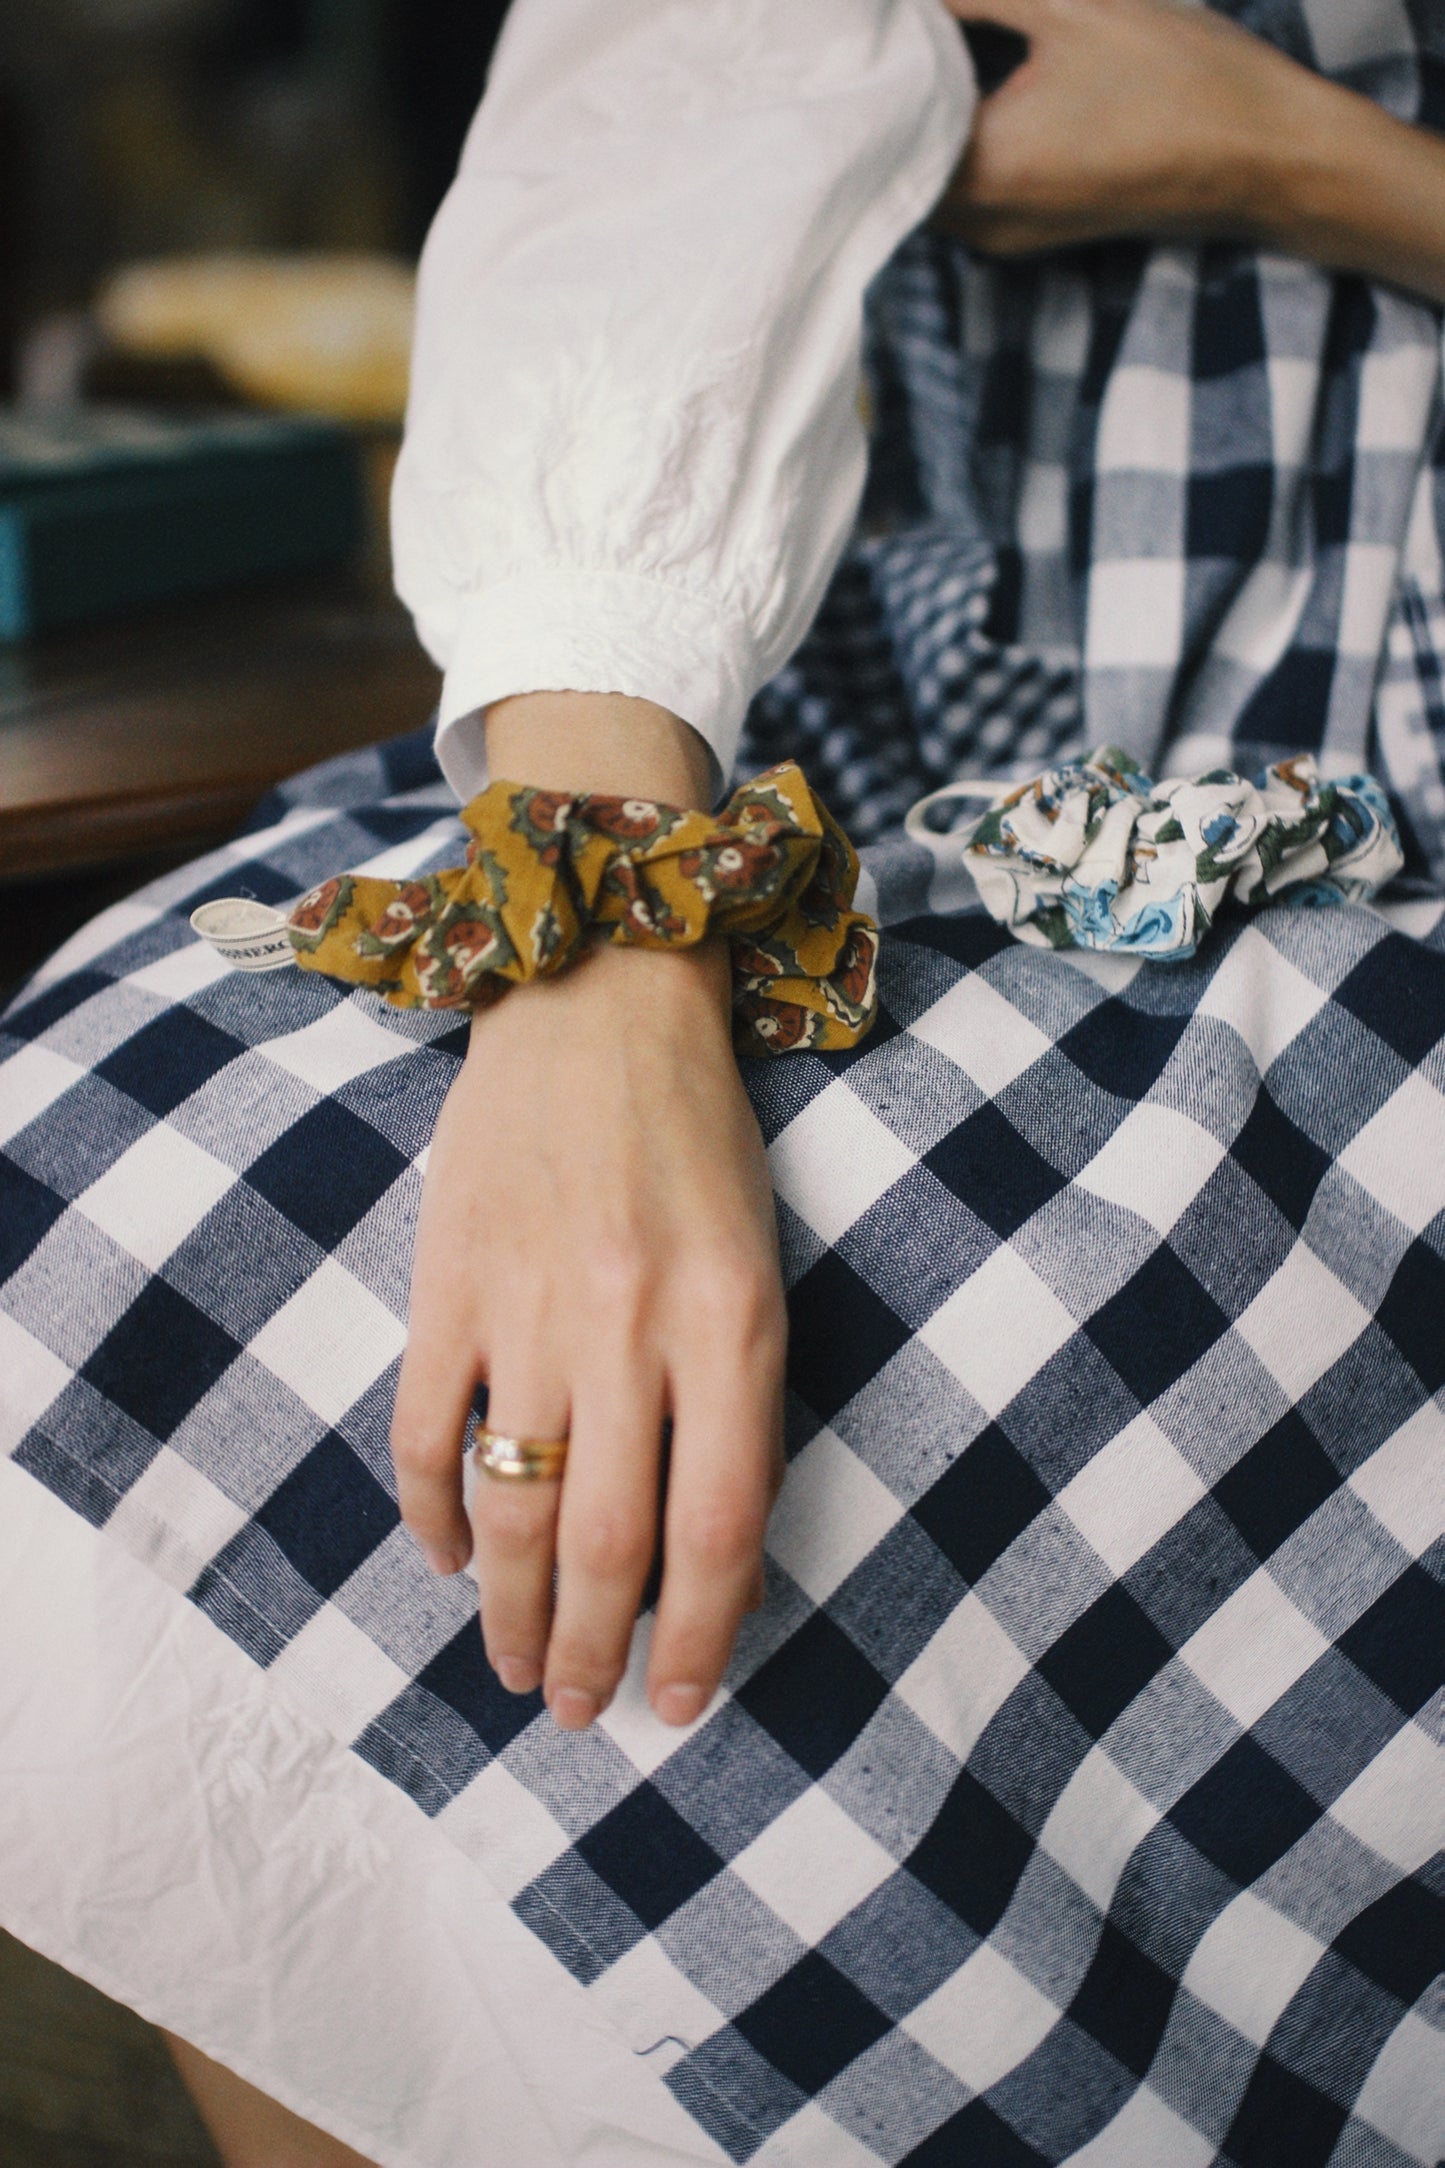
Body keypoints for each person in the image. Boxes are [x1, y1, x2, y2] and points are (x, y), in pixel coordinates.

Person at [1, 3, 1442, 2164]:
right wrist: (600, 940)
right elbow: (688, 64)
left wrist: (1300, 158)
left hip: (1379, 851)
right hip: (1007, 717)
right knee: (131, 1155)